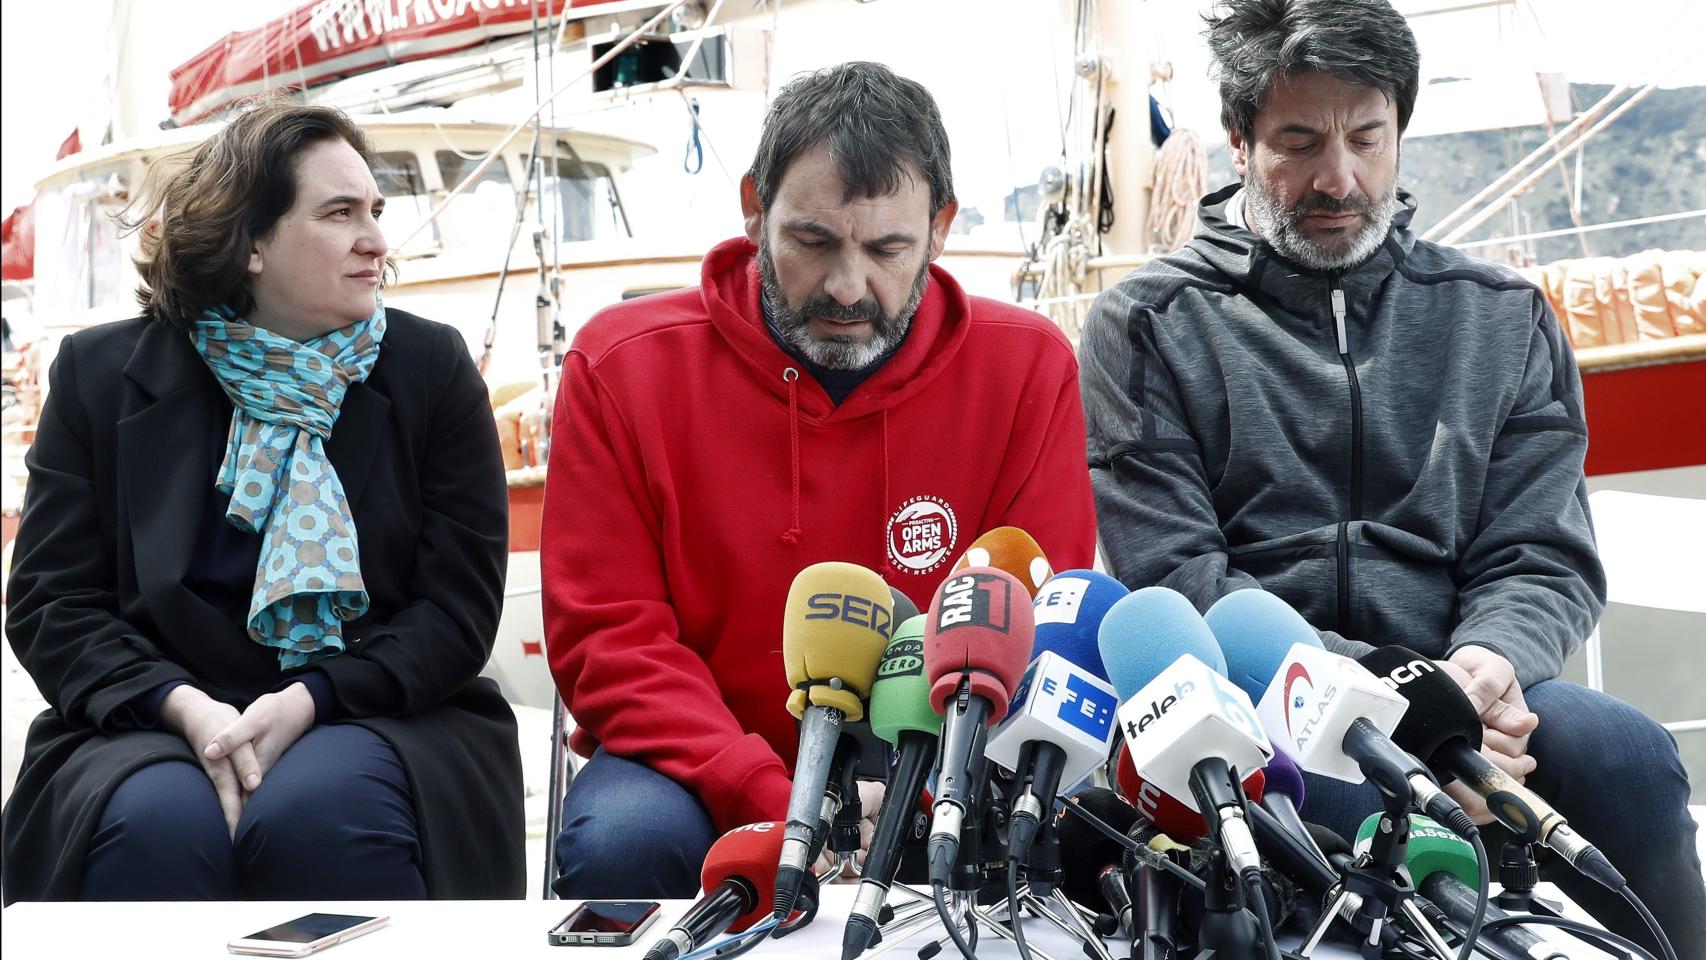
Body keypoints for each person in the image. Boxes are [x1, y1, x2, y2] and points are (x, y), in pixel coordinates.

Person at [1078, 0, 1704, 954]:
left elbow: (1543, 555)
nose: (1340, 177)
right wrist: (1386, 696)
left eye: (1367, 137)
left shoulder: (1502, 320)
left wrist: (1480, 671)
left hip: (1468, 686)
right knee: (1350, 804)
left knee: (1626, 757)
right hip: (1262, 698)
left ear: (1398, 132)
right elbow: (1180, 574)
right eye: (1299, 141)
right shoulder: (1150, 326)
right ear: (1240, 141)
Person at [542, 61, 1098, 898]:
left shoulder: (1026, 369)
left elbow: (1033, 627)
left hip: (946, 762)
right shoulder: (619, 367)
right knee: (625, 841)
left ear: (941, 228)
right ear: (754, 207)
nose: (847, 285)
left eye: (886, 249)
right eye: (811, 241)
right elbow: (611, 642)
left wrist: (924, 786)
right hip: (700, 766)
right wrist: (774, 794)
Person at [1, 100, 524, 902]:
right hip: (152, 715)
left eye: (375, 212)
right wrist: (188, 712)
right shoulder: (99, 377)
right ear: (249, 242)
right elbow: (52, 604)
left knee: (325, 818)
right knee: (155, 830)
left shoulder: (431, 370)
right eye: (340, 214)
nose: (377, 240)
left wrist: (309, 701)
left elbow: (454, 611)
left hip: (377, 707)